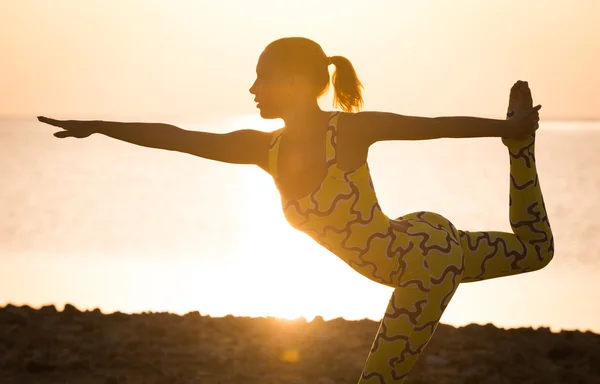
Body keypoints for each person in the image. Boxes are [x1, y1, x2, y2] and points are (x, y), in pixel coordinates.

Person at [38, 37, 553, 383]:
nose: (252, 89)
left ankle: (518, 148)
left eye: (262, 77)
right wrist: (101, 126)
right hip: (416, 237)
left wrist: (506, 128)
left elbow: (431, 124)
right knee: (537, 251)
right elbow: (179, 138)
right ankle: (520, 149)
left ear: (295, 82)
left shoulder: (348, 132)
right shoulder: (264, 149)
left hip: (423, 266)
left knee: (377, 380)